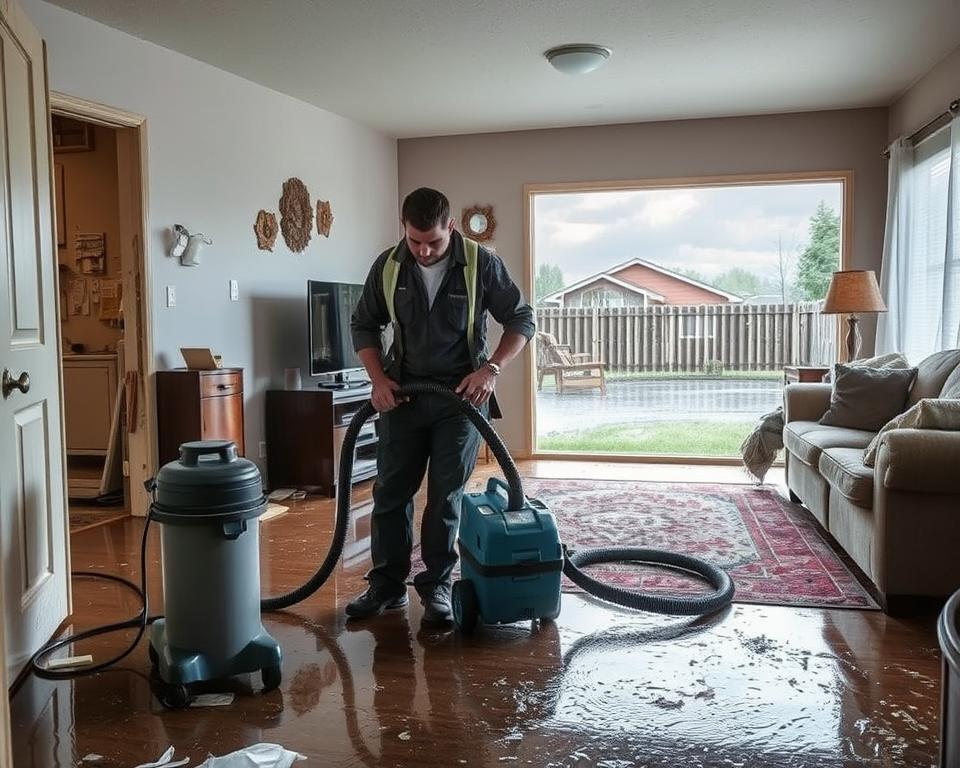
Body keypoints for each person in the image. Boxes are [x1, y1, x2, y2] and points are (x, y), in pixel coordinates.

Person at [348, 187, 535, 626]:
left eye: (433, 240)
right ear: (404, 229)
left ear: (450, 226)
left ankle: (437, 587)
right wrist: (378, 380)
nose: (425, 250)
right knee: (390, 493)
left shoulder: (481, 264)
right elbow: (364, 325)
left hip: (461, 401)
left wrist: (491, 369)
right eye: (415, 241)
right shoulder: (389, 266)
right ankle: (387, 585)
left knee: (445, 495)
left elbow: (521, 319)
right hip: (404, 397)